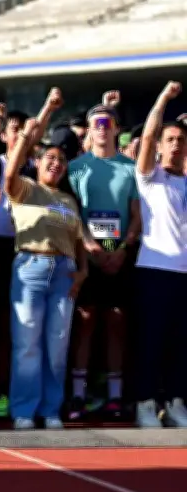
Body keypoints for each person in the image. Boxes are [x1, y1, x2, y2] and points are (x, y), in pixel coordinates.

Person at [4, 104, 88, 430]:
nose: (55, 163)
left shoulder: (68, 201)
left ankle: (50, 409)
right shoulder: (26, 188)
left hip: (64, 273)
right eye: (49, 158)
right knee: (27, 344)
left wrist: (83, 271)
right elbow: (9, 174)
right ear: (37, 163)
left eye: (61, 161)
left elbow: (80, 241)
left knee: (57, 344)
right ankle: (24, 410)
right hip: (30, 267)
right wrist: (33, 128)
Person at [67, 103, 140, 420]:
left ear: (116, 129)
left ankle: (114, 396)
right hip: (86, 251)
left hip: (120, 251)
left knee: (116, 322)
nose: (100, 127)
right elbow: (70, 212)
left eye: (106, 122)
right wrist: (90, 247)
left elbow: (137, 216)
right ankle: (78, 396)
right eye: (94, 122)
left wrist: (122, 248)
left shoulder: (131, 168)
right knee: (84, 322)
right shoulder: (75, 168)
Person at [132, 81, 187, 428]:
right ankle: (146, 403)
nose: (176, 144)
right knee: (151, 342)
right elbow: (149, 136)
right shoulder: (150, 178)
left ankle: (177, 402)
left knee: (182, 345)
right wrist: (163, 98)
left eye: (181, 140)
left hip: (184, 274)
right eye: (171, 139)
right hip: (154, 269)